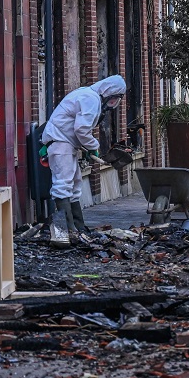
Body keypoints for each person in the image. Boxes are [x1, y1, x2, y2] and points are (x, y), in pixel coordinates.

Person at [41, 74, 126, 248]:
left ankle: (78, 227)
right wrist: (93, 146)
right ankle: (67, 231)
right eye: (115, 99)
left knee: (74, 184)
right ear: (110, 94)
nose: (114, 104)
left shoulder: (88, 95)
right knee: (63, 185)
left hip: (64, 143)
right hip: (60, 143)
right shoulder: (90, 98)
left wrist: (85, 147)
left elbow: (75, 128)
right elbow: (81, 129)